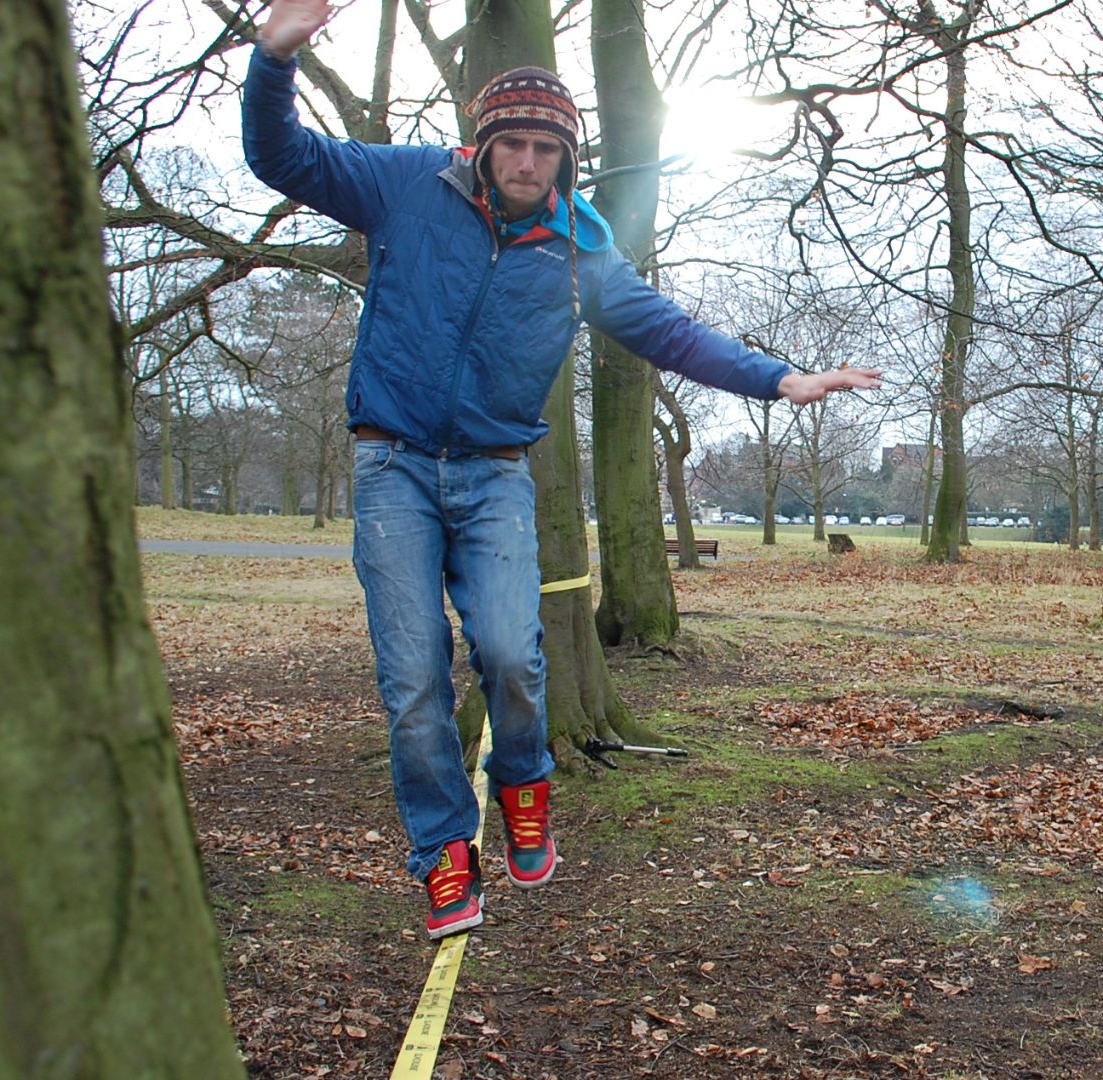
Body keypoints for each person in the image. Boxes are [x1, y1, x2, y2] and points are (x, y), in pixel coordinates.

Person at [246, 0, 882, 939]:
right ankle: (443, 853)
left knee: (511, 652)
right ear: (483, 144)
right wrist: (272, 57)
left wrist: (779, 377)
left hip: (498, 474)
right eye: (514, 145)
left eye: (548, 149)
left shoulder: (582, 252)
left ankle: (524, 780)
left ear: (566, 159)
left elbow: (669, 331)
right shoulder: (403, 187)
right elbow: (282, 158)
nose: (529, 163)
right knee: (414, 677)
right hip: (394, 468)